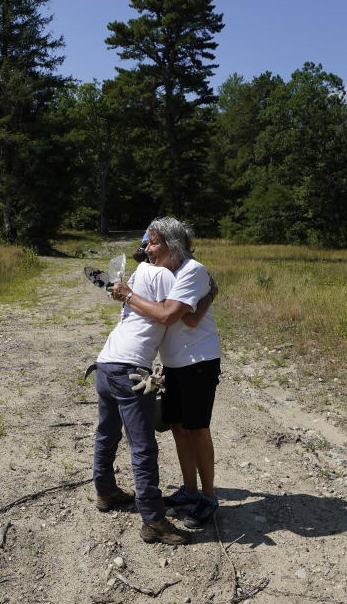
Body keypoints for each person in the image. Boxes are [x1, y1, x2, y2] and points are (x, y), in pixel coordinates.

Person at [109, 217, 222, 529]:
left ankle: (209, 498)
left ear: (173, 246)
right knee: (177, 427)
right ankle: (189, 490)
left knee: (197, 429)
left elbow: (175, 317)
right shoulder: (163, 273)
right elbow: (171, 316)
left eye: (153, 243)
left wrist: (129, 295)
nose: (147, 249)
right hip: (173, 364)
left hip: (199, 362)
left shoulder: (192, 270)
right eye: (146, 243)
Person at [93, 243, 200, 545]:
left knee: (107, 433)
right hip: (130, 367)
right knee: (143, 448)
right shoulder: (166, 278)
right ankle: (153, 520)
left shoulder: (136, 275)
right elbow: (180, 319)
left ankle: (105, 491)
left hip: (105, 362)